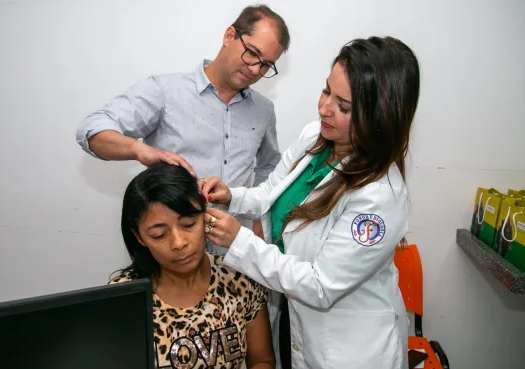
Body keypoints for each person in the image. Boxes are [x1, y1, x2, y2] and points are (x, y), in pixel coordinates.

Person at [199, 36, 421, 369]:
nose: (324, 108)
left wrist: (239, 241)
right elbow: (271, 193)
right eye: (326, 91)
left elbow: (321, 285)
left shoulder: (379, 196)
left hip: (349, 350)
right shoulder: (315, 137)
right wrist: (232, 196)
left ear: (380, 118)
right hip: (297, 319)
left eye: (343, 106)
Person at [76, 5, 291, 253]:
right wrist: (139, 150)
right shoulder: (165, 91)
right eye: (252, 53)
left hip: (233, 257)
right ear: (230, 36)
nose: (255, 69)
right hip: (172, 256)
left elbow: (269, 168)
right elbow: (91, 130)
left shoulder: (264, 110)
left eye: (266, 65)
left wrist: (257, 224)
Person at [109, 163, 275, 369]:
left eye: (188, 224)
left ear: (206, 217)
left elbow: (261, 360)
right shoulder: (124, 297)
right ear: (139, 237)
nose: (178, 243)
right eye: (159, 235)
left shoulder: (238, 279)